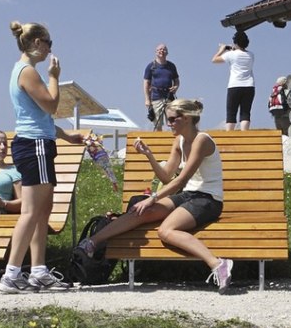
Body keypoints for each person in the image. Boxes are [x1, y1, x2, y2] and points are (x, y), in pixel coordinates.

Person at [73, 98, 234, 293]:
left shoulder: (202, 141)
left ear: (187, 118)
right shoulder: (180, 141)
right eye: (168, 119)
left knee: (165, 231)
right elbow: (167, 177)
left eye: (173, 119)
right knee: (140, 212)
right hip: (188, 195)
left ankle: (217, 264)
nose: (169, 124)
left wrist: (153, 198)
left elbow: (180, 181)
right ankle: (92, 243)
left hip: (208, 199)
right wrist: (149, 155)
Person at [2, 21, 85, 293]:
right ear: (37, 43)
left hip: (39, 141)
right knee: (30, 211)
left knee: (43, 210)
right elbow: (49, 106)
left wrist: (66, 137)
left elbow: (36, 117)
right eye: (49, 42)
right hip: (34, 145)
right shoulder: (28, 73)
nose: (51, 48)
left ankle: (38, 271)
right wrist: (54, 76)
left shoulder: (22, 71)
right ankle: (12, 273)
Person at [213, 30, 255, 130]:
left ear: (235, 42)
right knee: (245, 112)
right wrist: (233, 49)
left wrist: (222, 49)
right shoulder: (251, 55)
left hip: (234, 86)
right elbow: (240, 54)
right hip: (249, 85)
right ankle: (244, 134)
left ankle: (230, 136)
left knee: (231, 112)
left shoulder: (231, 55)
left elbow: (214, 60)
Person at [142, 43, 180, 128]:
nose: (162, 51)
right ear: (156, 52)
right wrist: (147, 99)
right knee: (157, 123)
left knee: (173, 122)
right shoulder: (151, 66)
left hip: (169, 97)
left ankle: (173, 140)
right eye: (159, 49)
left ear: (167, 53)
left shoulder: (171, 66)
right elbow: (146, 83)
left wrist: (176, 87)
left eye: (164, 49)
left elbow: (176, 80)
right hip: (156, 97)